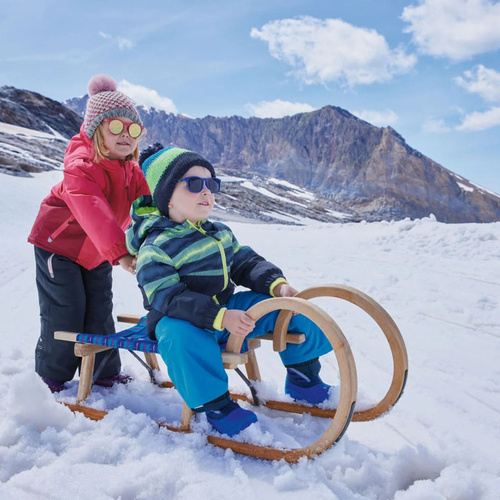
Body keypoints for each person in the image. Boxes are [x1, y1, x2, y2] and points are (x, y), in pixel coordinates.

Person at [125, 144, 334, 437]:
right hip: (182, 319)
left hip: (227, 313)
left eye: (211, 184)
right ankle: (218, 408)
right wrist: (220, 317)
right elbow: (167, 298)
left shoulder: (218, 233)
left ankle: (304, 379)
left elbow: (245, 263)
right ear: (166, 196)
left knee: (292, 309)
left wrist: (277, 285)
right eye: (194, 184)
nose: (206, 191)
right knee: (179, 338)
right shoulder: (155, 247)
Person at [28, 74, 150, 393]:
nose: (125, 134)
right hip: (59, 246)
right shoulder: (81, 165)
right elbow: (92, 210)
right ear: (97, 129)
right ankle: (51, 376)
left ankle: (103, 371)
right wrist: (121, 254)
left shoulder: (132, 170)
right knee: (65, 310)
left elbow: (147, 207)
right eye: (116, 126)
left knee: (99, 308)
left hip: (98, 251)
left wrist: (158, 241)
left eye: (133, 129)